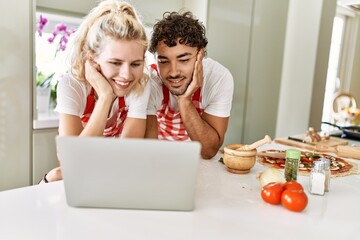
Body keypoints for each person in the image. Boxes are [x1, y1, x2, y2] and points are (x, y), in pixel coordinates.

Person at [40, 0, 150, 183]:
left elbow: (129, 156)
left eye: (136, 64)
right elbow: (74, 162)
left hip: (114, 176)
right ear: (92, 59)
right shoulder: (72, 86)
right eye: (115, 63)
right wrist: (106, 97)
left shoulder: (140, 84)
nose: (126, 75)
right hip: (81, 177)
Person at [145, 11, 234, 159]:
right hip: (159, 158)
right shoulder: (150, 81)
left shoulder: (218, 78)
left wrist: (184, 100)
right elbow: (148, 150)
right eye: (164, 61)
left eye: (184, 59)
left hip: (200, 161)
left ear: (200, 55)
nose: (173, 72)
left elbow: (208, 151)